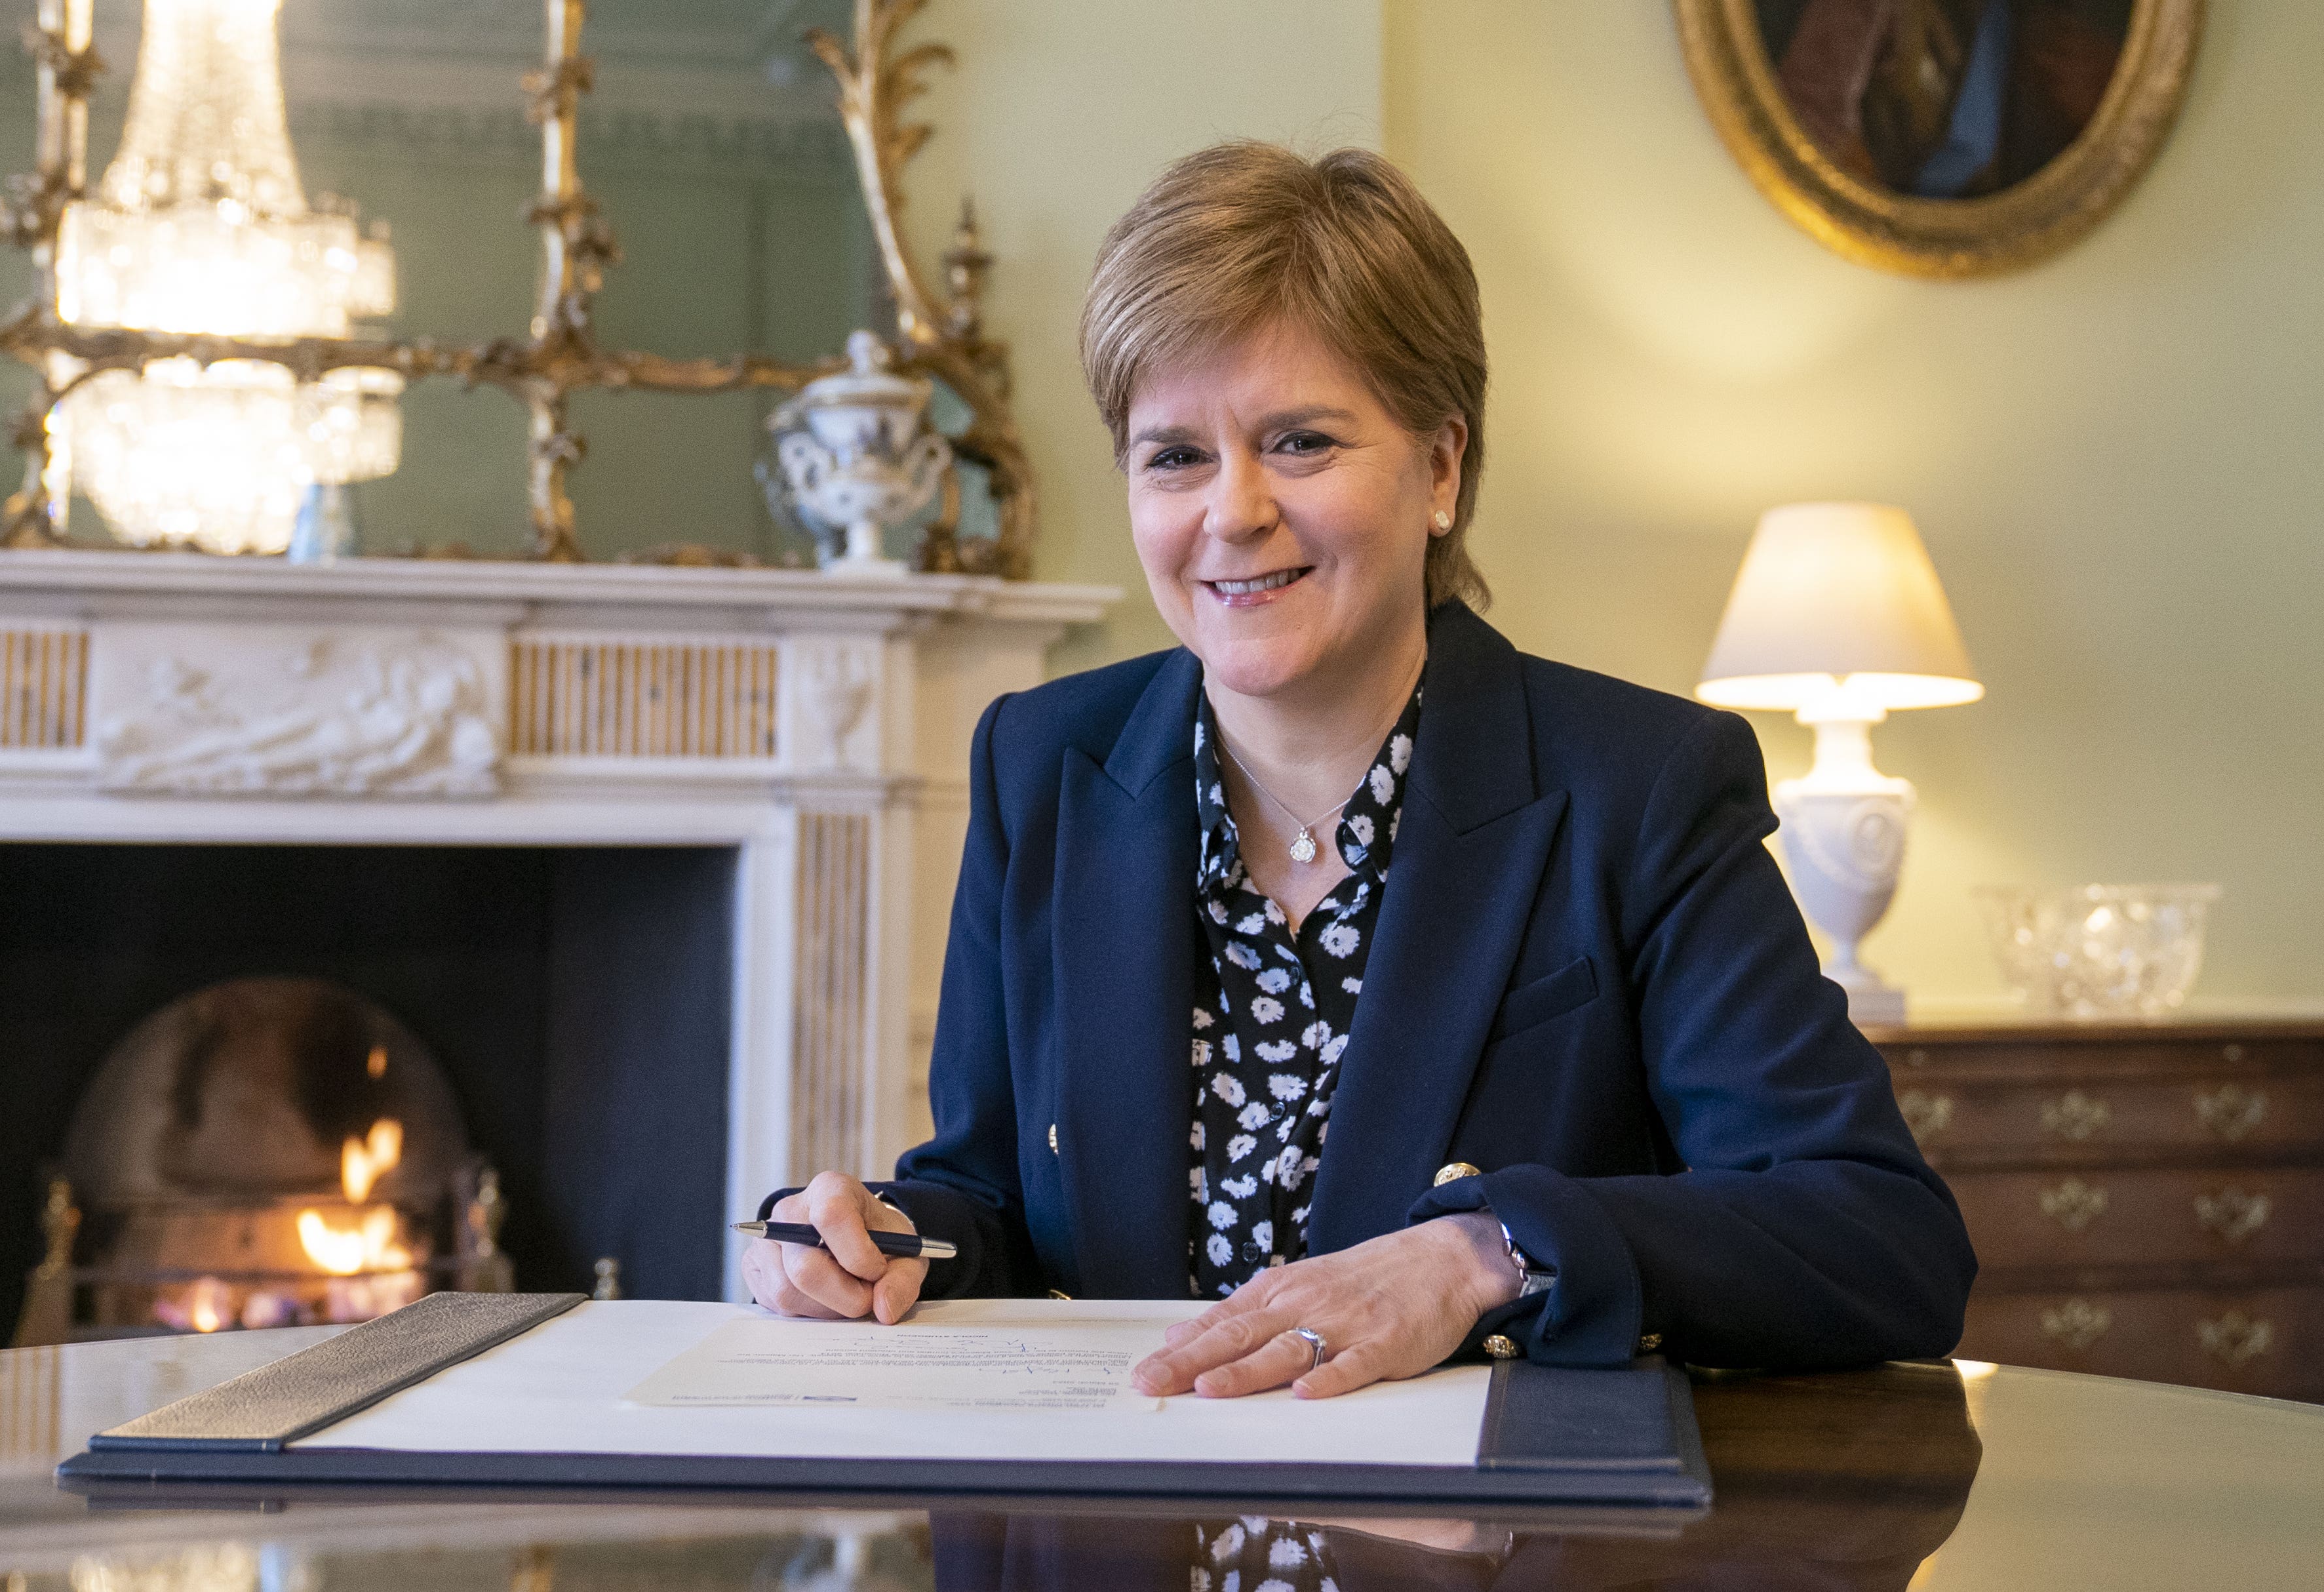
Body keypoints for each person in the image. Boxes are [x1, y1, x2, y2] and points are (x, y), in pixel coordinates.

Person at [746, 142, 1975, 1401]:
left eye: (1299, 442)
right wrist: (886, 1244)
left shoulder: (1642, 786)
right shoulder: (1042, 761)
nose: (1231, 513)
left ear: (1440, 468)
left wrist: (1483, 1255)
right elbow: (993, 1191)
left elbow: (1881, 1240)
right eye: (1174, 455)